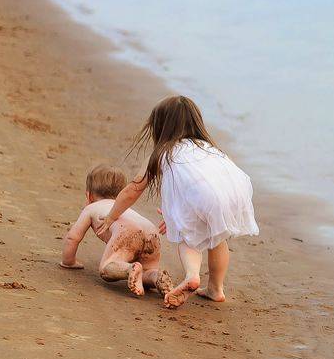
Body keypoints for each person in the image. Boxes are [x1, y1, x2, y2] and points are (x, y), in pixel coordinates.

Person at [97, 96, 258, 309]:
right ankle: (216, 289)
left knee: (187, 236)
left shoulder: (163, 152)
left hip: (204, 195)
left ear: (161, 126)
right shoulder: (209, 148)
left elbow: (133, 190)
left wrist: (111, 216)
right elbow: (204, 183)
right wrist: (176, 214)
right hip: (235, 190)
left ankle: (192, 275)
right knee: (218, 237)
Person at [59, 164, 171, 298]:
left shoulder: (92, 208)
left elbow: (73, 238)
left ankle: (130, 269)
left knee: (107, 268)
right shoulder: (123, 208)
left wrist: (68, 262)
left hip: (127, 231)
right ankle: (156, 277)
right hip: (151, 231)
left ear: (89, 196)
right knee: (148, 269)